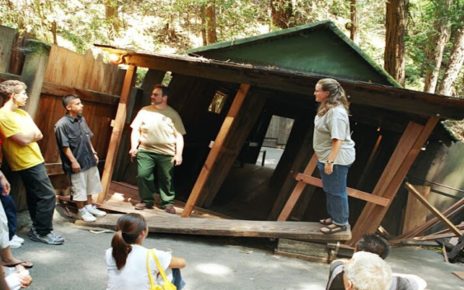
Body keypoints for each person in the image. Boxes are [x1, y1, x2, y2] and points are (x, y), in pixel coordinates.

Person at [0, 80, 64, 245]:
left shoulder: (22, 114)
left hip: (36, 158)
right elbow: (22, 139)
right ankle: (42, 231)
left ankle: (38, 229)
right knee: (48, 195)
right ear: (13, 96)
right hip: (24, 162)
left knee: (37, 195)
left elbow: (39, 134)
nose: (26, 96)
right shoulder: (3, 116)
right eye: (23, 93)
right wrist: (30, 135)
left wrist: (29, 135)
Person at [129, 84, 186, 214]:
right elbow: (135, 130)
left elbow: (179, 136)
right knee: (143, 175)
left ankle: (167, 203)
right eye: (152, 94)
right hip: (145, 150)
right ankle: (146, 200)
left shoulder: (173, 114)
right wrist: (134, 147)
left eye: (156, 95)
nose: (152, 96)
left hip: (166, 153)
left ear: (165, 97)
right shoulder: (144, 111)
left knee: (166, 178)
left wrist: (179, 154)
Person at [54, 95, 107, 222]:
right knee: (79, 187)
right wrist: (73, 161)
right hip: (76, 161)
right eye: (77, 104)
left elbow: (87, 137)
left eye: (80, 103)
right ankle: (81, 211)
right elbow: (64, 146)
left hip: (88, 158)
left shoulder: (81, 119)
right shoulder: (62, 125)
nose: (81, 105)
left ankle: (89, 206)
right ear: (69, 107)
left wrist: (93, 152)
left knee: (91, 184)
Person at [313, 78, 355, 234]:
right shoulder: (327, 108)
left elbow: (337, 140)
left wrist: (330, 162)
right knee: (330, 189)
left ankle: (341, 222)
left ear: (327, 93)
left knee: (337, 191)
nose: (315, 93)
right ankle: (334, 217)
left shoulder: (337, 113)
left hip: (337, 159)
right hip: (326, 158)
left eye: (318, 90)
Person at [105, 213, 186, 290]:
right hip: (156, 261)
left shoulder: (110, 252)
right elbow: (182, 263)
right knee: (173, 269)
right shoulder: (153, 255)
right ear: (143, 233)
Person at [326, 234, 427, 290]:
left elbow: (338, 263)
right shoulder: (398, 283)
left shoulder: (338, 270)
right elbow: (418, 282)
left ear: (349, 285)